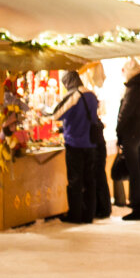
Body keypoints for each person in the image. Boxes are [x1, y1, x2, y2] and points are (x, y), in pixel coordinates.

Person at [52, 70, 99, 224]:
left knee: (75, 180)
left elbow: (57, 114)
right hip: (90, 143)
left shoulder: (74, 95)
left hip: (75, 143)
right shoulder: (91, 95)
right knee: (90, 179)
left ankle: (75, 214)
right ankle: (88, 214)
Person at [116, 57, 140, 222]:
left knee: (134, 172)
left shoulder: (133, 90)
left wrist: (119, 133)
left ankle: (137, 207)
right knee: (139, 171)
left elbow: (125, 113)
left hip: (130, 135)